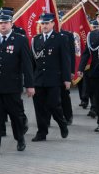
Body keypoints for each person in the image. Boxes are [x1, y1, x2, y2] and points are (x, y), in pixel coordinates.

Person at [0, 11, 35, 154]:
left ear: (11, 24)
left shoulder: (20, 39)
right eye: (0, 23)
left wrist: (30, 85)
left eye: (5, 22)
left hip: (12, 86)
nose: (3, 25)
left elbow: (27, 64)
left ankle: (20, 139)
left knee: (16, 116)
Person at [30, 13, 72, 141]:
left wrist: (67, 79)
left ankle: (62, 123)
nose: (44, 26)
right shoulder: (36, 39)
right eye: (42, 23)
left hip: (54, 79)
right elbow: (32, 62)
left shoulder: (60, 38)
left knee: (53, 105)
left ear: (53, 23)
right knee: (39, 107)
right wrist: (29, 81)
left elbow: (65, 60)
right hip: (38, 79)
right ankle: (42, 132)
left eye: (47, 23)